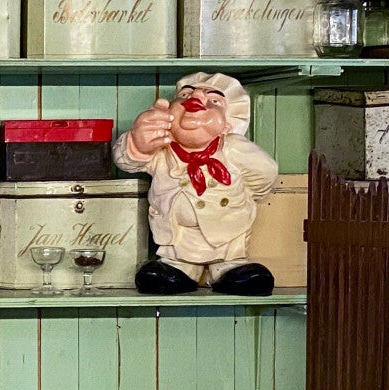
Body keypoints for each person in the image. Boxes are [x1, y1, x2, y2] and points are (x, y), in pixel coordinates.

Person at [117, 71, 280, 296]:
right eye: (185, 95)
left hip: (226, 234)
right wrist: (138, 144)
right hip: (177, 238)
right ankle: (179, 269)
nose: (195, 100)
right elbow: (128, 163)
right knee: (166, 271)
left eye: (214, 101)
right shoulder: (162, 147)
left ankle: (228, 269)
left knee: (232, 259)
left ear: (228, 123)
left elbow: (265, 173)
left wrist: (246, 196)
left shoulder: (234, 148)